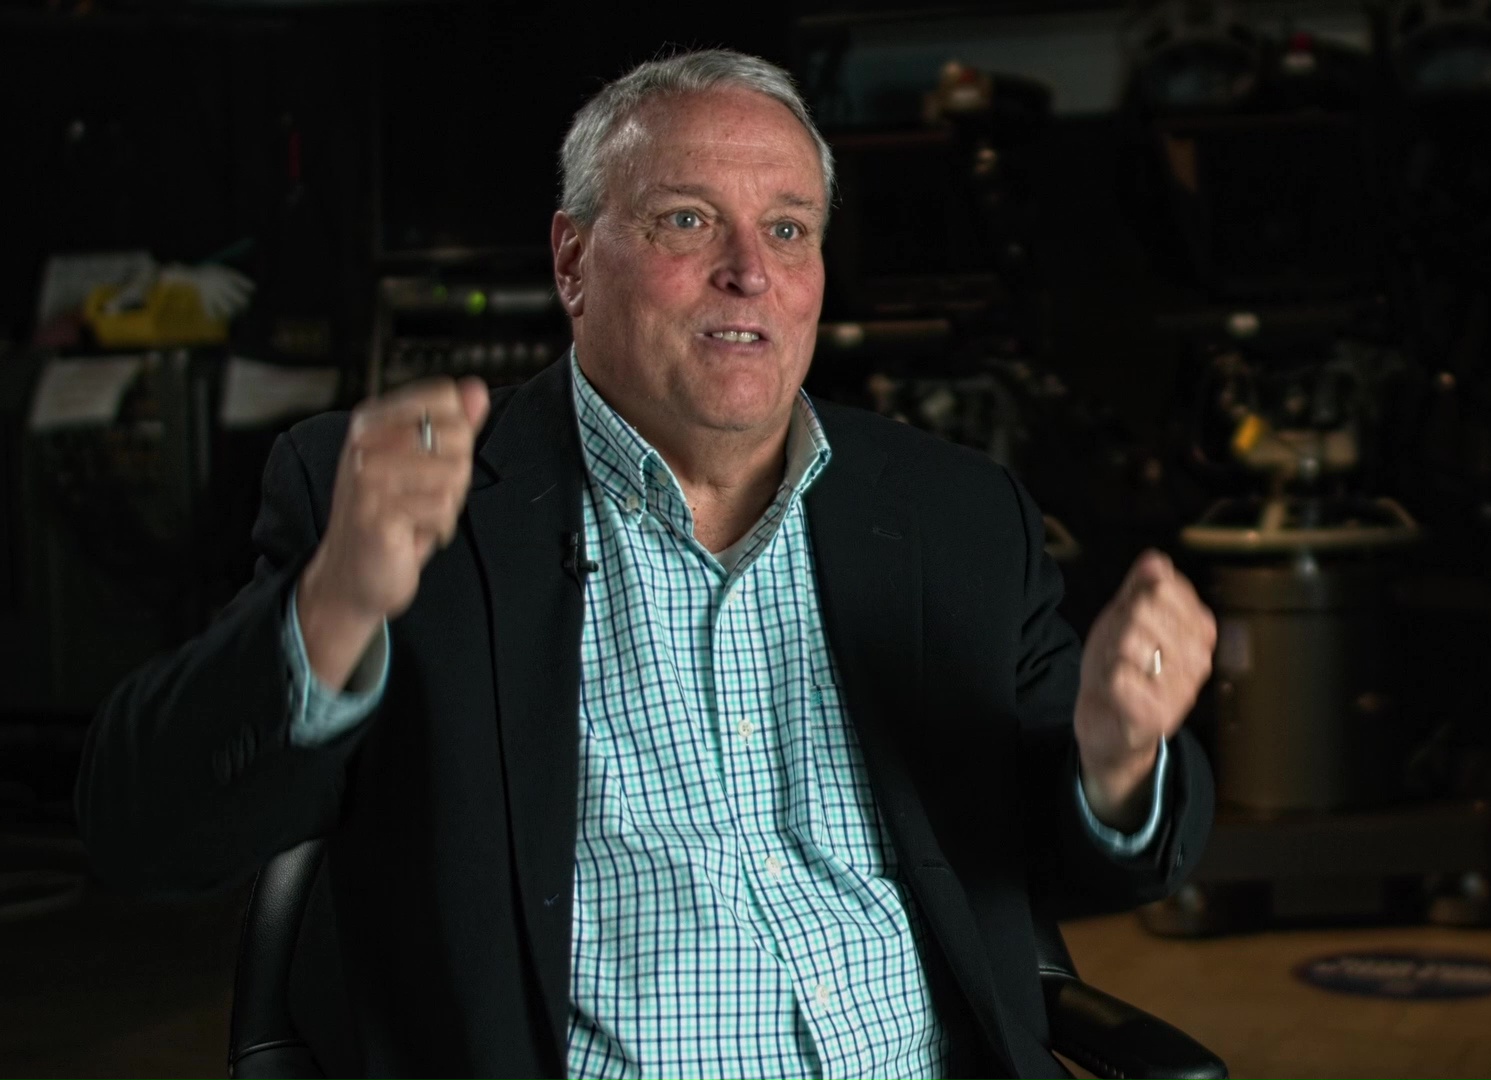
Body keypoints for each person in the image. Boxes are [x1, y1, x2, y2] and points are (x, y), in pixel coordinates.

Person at [77, 48, 1216, 1080]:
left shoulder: (951, 513)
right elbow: (143, 832)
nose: (749, 272)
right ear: (574, 260)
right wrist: (331, 609)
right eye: (686, 221)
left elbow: (1106, 860)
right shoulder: (401, 498)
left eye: (788, 230)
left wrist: (1119, 756)